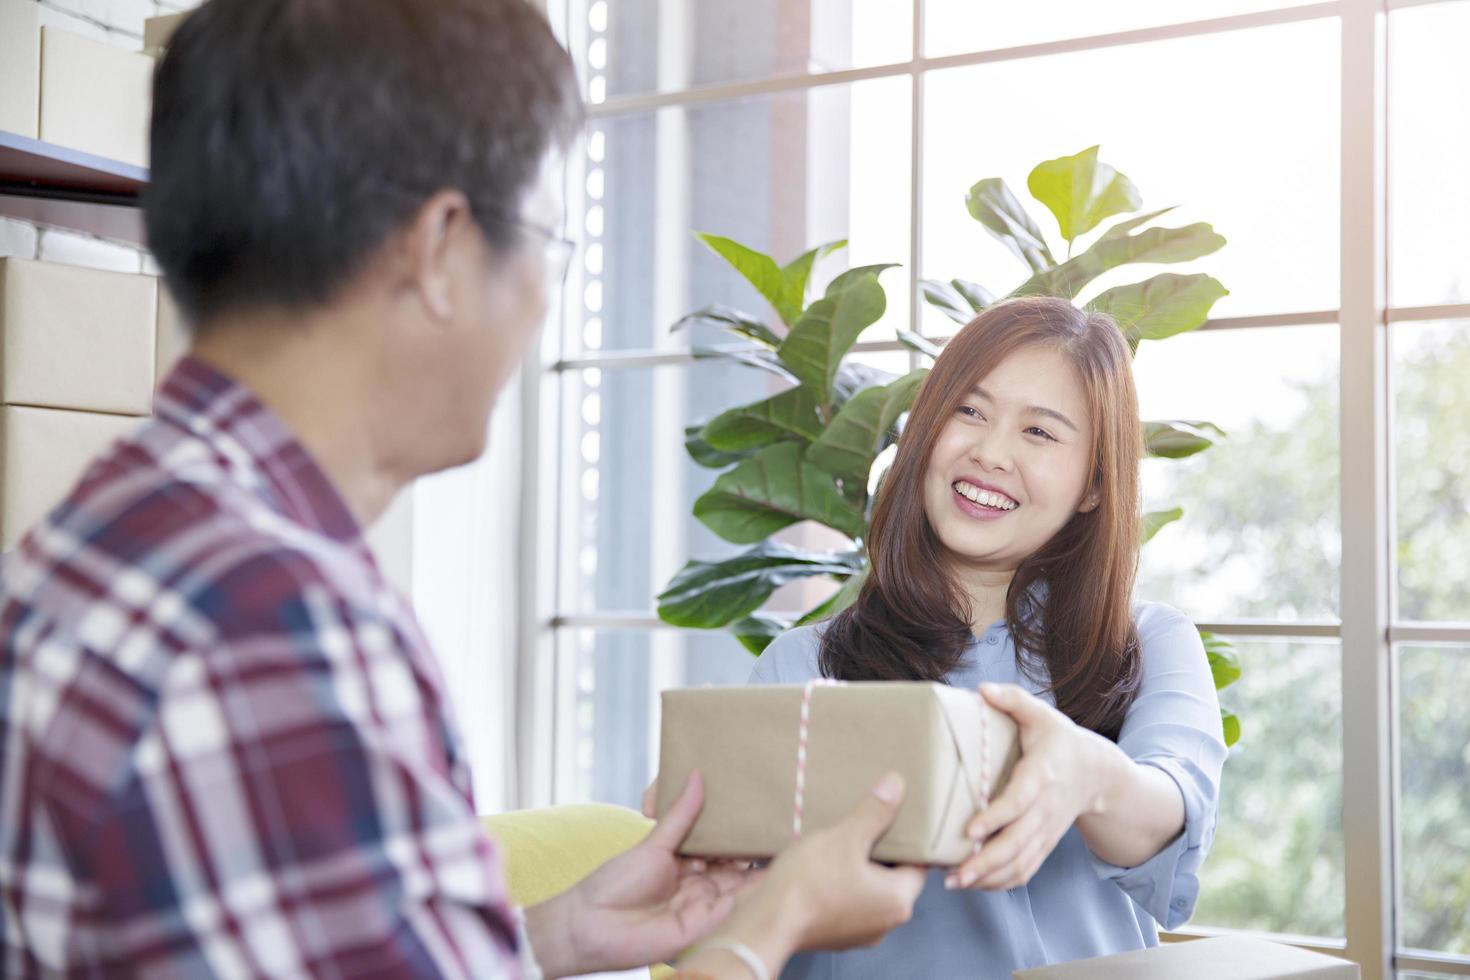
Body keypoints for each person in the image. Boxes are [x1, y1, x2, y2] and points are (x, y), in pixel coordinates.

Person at [0, 0, 924, 976]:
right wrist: (768, 924)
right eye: (548, 243)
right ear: (441, 247)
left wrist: (552, 933)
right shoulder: (276, 624)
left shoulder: (111, 529)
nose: (540, 300)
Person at [745, 298, 1228, 978]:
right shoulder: (802, 665)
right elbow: (741, 907)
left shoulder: (1149, 646)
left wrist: (1087, 774)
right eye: (969, 411)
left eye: (1040, 432)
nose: (991, 453)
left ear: (1093, 485)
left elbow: (1164, 817)